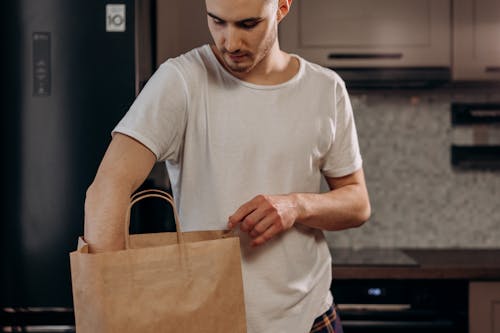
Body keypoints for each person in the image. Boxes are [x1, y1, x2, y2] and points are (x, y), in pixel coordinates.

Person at [84, 0, 371, 332]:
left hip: (311, 317)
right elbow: (108, 187)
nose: (230, 43)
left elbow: (357, 202)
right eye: (217, 21)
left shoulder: (325, 88)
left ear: (282, 7)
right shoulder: (181, 81)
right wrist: (115, 309)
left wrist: (296, 205)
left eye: (248, 25)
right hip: (211, 320)